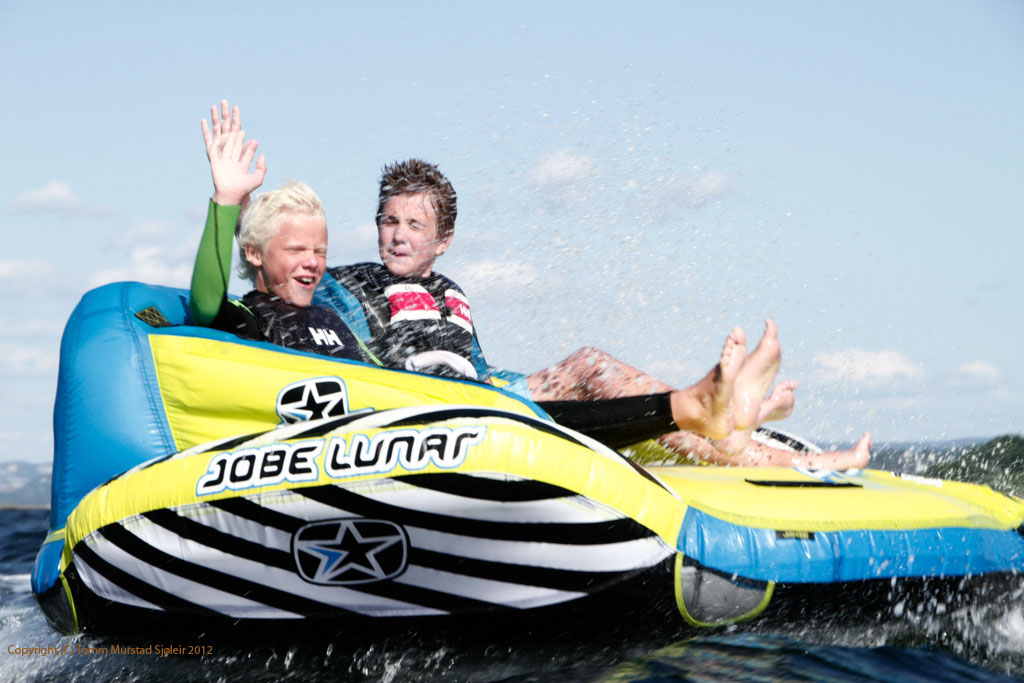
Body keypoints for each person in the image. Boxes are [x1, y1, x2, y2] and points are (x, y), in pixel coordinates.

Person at [187, 100, 761, 448]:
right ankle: (688, 408)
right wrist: (228, 202)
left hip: (434, 415)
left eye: (321, 249)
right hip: (408, 426)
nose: (313, 261)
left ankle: (729, 429)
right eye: (297, 250)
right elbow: (208, 299)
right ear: (255, 253)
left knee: (565, 388)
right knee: (557, 392)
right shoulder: (256, 312)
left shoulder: (331, 312)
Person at [316, 157, 871, 469]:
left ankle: (744, 426)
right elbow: (287, 284)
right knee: (587, 367)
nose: (398, 235)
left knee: (596, 370)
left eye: (414, 225)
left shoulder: (450, 290)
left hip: (491, 389)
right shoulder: (351, 283)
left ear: (444, 240)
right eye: (389, 221)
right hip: (448, 411)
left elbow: (474, 364)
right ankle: (741, 427)